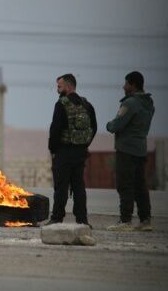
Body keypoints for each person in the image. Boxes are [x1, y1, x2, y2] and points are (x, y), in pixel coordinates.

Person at [45, 74, 97, 227]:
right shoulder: (87, 105)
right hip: (80, 153)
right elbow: (94, 128)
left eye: (59, 87)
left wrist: (52, 149)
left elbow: (55, 129)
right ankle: (82, 220)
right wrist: (84, 145)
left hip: (63, 152)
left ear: (68, 87)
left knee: (61, 187)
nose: (57, 90)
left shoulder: (62, 104)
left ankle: (56, 218)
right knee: (79, 187)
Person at [106, 71, 154, 231]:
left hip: (126, 149)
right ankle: (145, 219)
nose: (123, 86)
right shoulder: (148, 103)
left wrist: (109, 125)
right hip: (140, 149)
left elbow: (116, 125)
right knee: (140, 185)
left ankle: (125, 220)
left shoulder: (131, 103)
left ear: (133, 85)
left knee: (125, 184)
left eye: (126, 83)